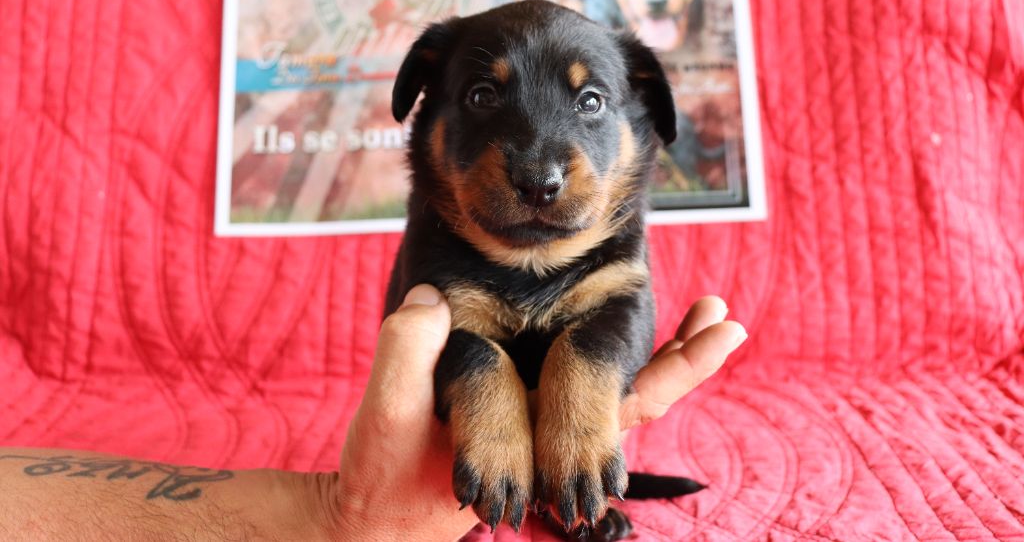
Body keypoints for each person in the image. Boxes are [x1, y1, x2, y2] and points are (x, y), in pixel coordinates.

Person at [0, 285, 746, 540]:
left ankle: (569, 496)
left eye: (589, 102)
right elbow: (451, 349)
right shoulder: (445, 232)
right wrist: (345, 519)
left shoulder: (615, 233)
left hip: (564, 425)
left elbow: (622, 324)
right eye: (484, 98)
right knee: (468, 349)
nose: (539, 167)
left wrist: (579, 408)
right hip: (453, 448)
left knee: (593, 356)